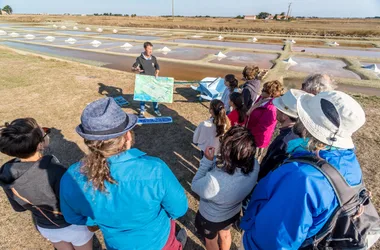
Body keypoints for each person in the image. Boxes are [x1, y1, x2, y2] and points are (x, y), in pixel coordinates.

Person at [240, 91, 367, 249]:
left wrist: (248, 242)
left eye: (302, 113)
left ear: (309, 122)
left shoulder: (302, 178)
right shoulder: (348, 161)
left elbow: (275, 240)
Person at [60, 98, 188, 250]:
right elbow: (178, 209)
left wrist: (99, 220)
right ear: (127, 136)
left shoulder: (72, 177)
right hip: (158, 242)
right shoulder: (155, 169)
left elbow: (73, 217)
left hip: (117, 245)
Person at [0, 118, 93, 250]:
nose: (47, 133)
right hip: (72, 226)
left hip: (46, 227)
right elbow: (75, 203)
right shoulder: (56, 172)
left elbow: (19, 207)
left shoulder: (6, 174)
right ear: (40, 145)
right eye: (44, 132)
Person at [192, 126, 260, 250]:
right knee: (225, 235)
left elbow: (195, 184)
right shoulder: (255, 165)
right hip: (232, 213)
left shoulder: (214, 181)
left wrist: (207, 161)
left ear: (227, 153)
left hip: (211, 219)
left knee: (211, 241)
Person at [258, 89, 306, 181]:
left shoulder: (284, 141)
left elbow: (266, 170)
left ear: (285, 116)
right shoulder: (300, 133)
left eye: (278, 109)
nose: (276, 110)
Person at [246, 80, 284, 159]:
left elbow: (263, 127)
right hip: (250, 132)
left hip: (257, 140)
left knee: (252, 158)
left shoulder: (271, 108)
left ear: (270, 93)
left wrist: (249, 135)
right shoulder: (262, 98)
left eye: (263, 90)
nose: (261, 91)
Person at [132, 41, 161, 118]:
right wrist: (136, 69)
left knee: (154, 96)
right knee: (143, 96)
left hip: (152, 80)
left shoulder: (153, 58)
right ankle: (142, 110)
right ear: (145, 48)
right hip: (144, 80)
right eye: (149, 49)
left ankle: (156, 109)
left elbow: (157, 66)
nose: (150, 51)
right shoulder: (139, 59)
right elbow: (134, 67)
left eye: (151, 49)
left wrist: (157, 71)